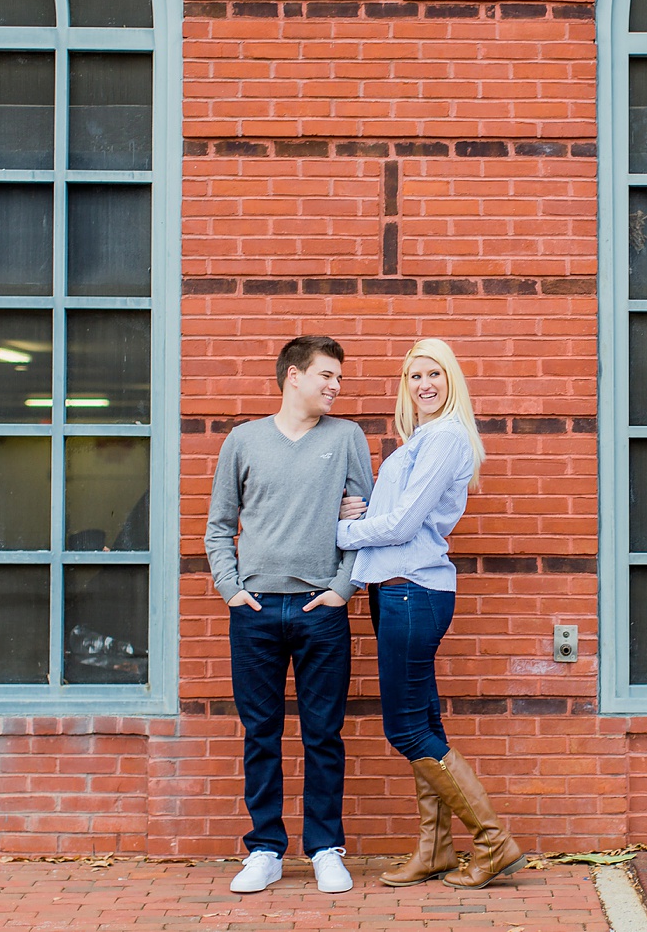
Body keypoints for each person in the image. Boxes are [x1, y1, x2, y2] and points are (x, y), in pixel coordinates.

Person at [337, 338, 527, 889]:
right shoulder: (422, 438)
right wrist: (365, 511)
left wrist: (342, 528)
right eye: (415, 375)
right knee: (424, 722)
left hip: (412, 594)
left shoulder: (443, 437)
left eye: (435, 374)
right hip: (399, 591)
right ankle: (437, 849)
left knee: (404, 728)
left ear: (451, 382)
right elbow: (395, 515)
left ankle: (493, 842)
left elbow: (399, 527)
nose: (424, 384)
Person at [205, 335, 373, 895]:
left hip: (319, 609)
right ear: (293, 376)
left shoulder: (347, 438)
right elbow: (219, 525)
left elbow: (362, 528)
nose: (335, 387)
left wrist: (342, 589)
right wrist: (231, 589)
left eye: (339, 379)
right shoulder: (242, 441)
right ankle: (266, 849)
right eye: (326, 375)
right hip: (254, 610)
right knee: (262, 732)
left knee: (324, 733)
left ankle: (325, 847)